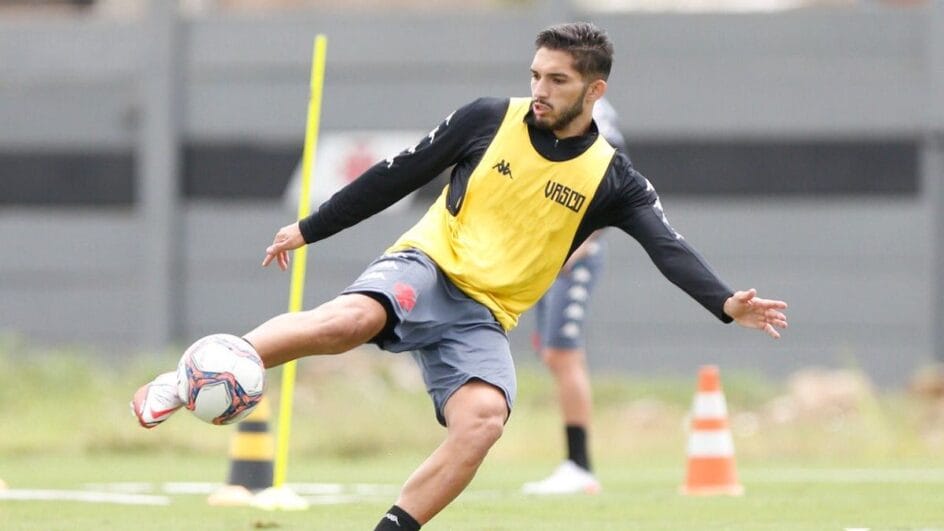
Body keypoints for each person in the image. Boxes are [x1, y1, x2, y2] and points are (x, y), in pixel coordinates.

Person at [131, 22, 788, 530]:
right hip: (429, 265)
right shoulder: (487, 119)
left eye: (557, 80)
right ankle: (188, 378)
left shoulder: (614, 179)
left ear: (594, 92)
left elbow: (667, 247)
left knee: (483, 420)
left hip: (484, 315)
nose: (539, 90)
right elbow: (398, 174)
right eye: (535, 74)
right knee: (354, 318)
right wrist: (310, 227)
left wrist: (725, 302)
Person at [521, 98, 625, 496]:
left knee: (564, 354)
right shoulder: (546, 109)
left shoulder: (595, 114)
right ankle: (574, 464)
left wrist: (575, 248)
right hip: (549, 255)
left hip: (574, 257)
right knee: (552, 354)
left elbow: (611, 184)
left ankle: (580, 466)